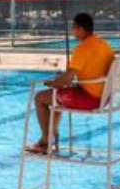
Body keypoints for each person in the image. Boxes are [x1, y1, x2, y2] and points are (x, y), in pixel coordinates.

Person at [27, 13, 114, 154]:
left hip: (91, 99)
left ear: (81, 29)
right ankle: (48, 138)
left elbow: (66, 80)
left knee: (40, 97)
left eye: (73, 27)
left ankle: (44, 142)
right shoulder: (104, 45)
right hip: (105, 97)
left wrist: (54, 83)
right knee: (56, 97)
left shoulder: (82, 49)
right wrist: (66, 81)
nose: (72, 31)